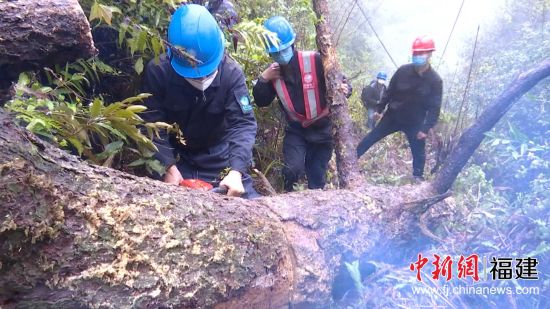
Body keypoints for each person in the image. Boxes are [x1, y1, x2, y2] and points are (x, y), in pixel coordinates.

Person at [141, 4, 258, 198]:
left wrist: (236, 171)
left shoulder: (231, 73)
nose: (201, 78)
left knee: (249, 205)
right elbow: (150, 124)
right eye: (193, 75)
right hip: (178, 159)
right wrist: (167, 165)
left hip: (221, 158)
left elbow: (242, 124)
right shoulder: (158, 72)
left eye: (207, 71)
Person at [253, 16, 351, 192]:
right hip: (296, 131)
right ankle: (287, 200)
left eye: (284, 49)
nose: (281, 55)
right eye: (276, 52)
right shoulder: (272, 73)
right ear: (270, 53)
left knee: (317, 177)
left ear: (292, 44)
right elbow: (261, 101)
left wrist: (345, 88)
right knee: (292, 170)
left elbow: (340, 81)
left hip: (323, 131)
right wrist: (263, 79)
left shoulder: (315, 60)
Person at [356, 36, 443, 181]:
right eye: (415, 53)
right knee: (372, 137)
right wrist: (379, 109)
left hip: (416, 122)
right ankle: (352, 159)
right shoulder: (403, 71)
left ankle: (418, 178)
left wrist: (425, 128)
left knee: (418, 152)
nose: (417, 56)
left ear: (429, 54)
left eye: (420, 54)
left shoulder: (435, 80)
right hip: (393, 117)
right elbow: (389, 92)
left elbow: (435, 107)